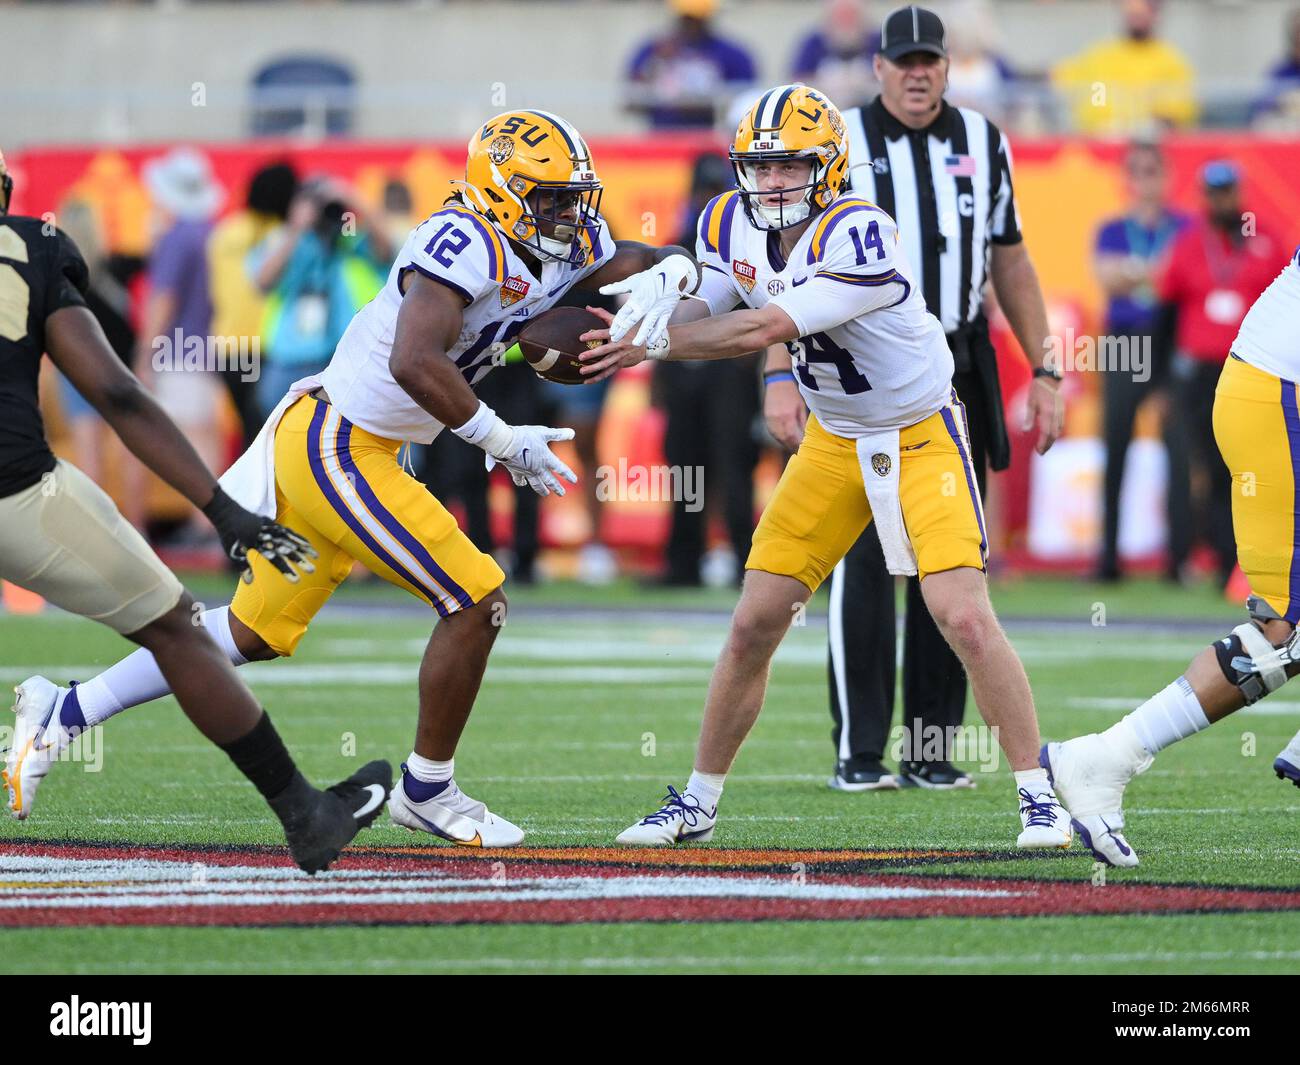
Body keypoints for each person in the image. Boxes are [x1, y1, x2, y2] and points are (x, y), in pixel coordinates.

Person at [21, 111, 699, 848]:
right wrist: (500, 439)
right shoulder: (464, 238)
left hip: (351, 443)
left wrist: (674, 268)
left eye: (575, 198)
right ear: (502, 193)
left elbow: (632, 255)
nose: (570, 216)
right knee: (475, 599)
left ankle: (65, 710)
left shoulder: (559, 238)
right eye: (551, 199)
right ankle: (428, 788)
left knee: (250, 632)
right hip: (338, 444)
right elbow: (415, 359)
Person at [581, 84, 1072, 851]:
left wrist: (654, 344)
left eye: (791, 168)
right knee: (753, 623)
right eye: (760, 167)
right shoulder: (726, 219)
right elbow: (707, 306)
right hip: (835, 439)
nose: (771, 183)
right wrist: (661, 289)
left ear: (830, 167)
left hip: (919, 432)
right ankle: (699, 801)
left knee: (965, 617)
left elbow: (763, 325)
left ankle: (1040, 794)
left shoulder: (860, 231)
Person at [0, 147, 387, 874]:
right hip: (14, 491)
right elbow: (116, 394)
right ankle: (306, 815)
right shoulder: (31, 247)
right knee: (179, 631)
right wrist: (219, 506)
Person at [777, 5, 1059, 793]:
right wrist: (776, 372)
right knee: (865, 558)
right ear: (877, 68)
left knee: (951, 562)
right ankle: (860, 752)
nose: (917, 72)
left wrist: (1046, 369)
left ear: (946, 64)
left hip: (957, 363)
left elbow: (1012, 261)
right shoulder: (839, 146)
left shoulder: (982, 140)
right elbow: (777, 268)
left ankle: (933, 749)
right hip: (862, 365)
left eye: (929, 59)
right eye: (902, 61)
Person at [1044, 245, 1300, 868]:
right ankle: (1104, 758)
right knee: (1284, 628)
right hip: (1279, 397)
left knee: (1286, 632)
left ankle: (1101, 758)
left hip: (1271, 390)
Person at [1156, 161, 1284, 587]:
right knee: (1203, 465)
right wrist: (1163, 382)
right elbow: (1166, 311)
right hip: (1200, 372)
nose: (1221, 200)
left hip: (1252, 369)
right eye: (1214, 192)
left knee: (1247, 466)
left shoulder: (1264, 239)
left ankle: (1243, 564)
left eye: (1227, 191)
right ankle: (1204, 559)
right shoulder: (1190, 241)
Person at [655, 152, 758, 587]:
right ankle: (683, 562)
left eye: (714, 190)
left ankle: (744, 561)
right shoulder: (681, 240)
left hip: (729, 373)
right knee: (686, 470)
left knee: (734, 469)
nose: (707, 198)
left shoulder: (746, 242)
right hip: (684, 373)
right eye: (704, 190)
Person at [1093, 141, 1190, 582]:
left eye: (1154, 171)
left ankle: (1178, 560)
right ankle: (1108, 559)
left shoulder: (1187, 226)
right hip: (1123, 341)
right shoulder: (1111, 228)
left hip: (1171, 340)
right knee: (1114, 447)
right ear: (1128, 180)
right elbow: (1108, 279)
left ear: (1167, 177)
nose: (1146, 181)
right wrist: (1157, 272)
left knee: (1180, 449)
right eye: (1138, 172)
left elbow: (1183, 280)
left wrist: (1136, 273)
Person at [135, 148, 228, 536]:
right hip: (208, 346)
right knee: (205, 435)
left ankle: (202, 527)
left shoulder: (176, 237)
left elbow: (164, 298)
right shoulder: (212, 232)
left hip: (177, 351)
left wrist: (144, 352)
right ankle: (210, 526)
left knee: (174, 438)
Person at [249, 175, 393, 417]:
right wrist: (297, 229)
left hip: (338, 357)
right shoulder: (285, 239)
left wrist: (353, 200)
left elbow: (385, 251)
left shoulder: (345, 237)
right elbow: (263, 279)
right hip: (289, 359)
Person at [209, 161, 299, 450]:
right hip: (268, 349)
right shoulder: (287, 237)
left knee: (251, 433)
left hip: (229, 348)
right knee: (270, 437)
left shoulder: (224, 233)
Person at [1051, 0, 1196, 135]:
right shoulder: (1100, 56)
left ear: (1156, 14)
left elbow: (1175, 115)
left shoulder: (1172, 62)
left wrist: (1140, 127)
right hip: (1099, 147)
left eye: (1142, 12)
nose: (1137, 17)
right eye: (1132, 12)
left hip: (1145, 150)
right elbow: (1090, 97)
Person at [625, 0, 757, 129]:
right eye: (686, 18)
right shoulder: (654, 49)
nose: (690, 25)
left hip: (706, 135)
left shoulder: (730, 53)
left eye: (696, 19)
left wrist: (705, 101)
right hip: (661, 135)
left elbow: (746, 100)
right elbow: (630, 99)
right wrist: (657, 63)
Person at [790, 0, 880, 113]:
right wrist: (822, 85)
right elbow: (796, 84)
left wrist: (864, 84)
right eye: (841, 15)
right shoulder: (813, 43)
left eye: (850, 15)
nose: (845, 22)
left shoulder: (878, 41)